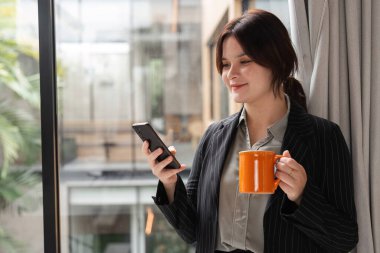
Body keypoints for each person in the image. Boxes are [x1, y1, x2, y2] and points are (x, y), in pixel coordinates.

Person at [141, 9, 358, 253]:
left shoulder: (323, 137)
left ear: (278, 62)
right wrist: (169, 183)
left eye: (244, 62)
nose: (231, 74)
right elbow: (194, 231)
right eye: (225, 64)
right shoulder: (214, 136)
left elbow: (345, 238)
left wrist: (301, 196)